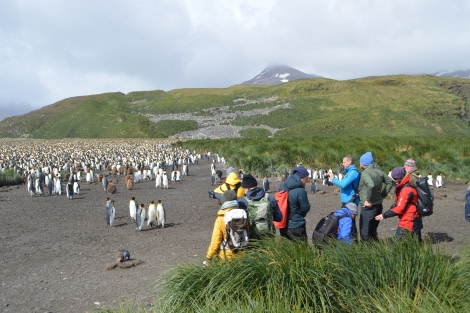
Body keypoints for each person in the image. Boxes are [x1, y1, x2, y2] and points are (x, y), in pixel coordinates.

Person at [375, 167, 423, 241]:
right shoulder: (406, 185)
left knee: (399, 244)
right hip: (412, 218)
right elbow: (398, 204)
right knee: (415, 243)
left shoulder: (406, 189)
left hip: (409, 220)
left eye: (395, 178)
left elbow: (400, 208)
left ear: (400, 177)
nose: (394, 180)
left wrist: (384, 215)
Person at [357, 152, 393, 241]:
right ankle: (375, 251)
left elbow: (371, 185)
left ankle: (366, 253)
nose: (360, 164)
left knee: (365, 233)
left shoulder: (365, 173)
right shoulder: (379, 171)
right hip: (378, 206)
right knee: (373, 232)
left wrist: (367, 200)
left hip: (368, 207)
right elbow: (390, 181)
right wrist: (383, 195)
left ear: (364, 163)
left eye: (360, 162)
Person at [205, 190, 247, 264]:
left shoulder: (221, 218)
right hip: (243, 255)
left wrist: (209, 257)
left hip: (226, 257)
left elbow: (216, 241)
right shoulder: (244, 215)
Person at [238, 174, 283, 238]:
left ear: (247, 188)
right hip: (269, 237)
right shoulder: (269, 197)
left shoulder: (243, 201)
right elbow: (279, 218)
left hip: (252, 238)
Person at [329, 155, 360, 239]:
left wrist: (333, 178)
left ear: (349, 162)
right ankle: (348, 240)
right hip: (347, 200)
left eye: (344, 162)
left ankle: (353, 241)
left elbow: (343, 184)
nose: (342, 164)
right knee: (346, 220)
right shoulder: (349, 172)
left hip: (350, 201)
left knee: (350, 222)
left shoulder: (353, 172)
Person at [278, 166, 311, 241]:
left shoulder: (283, 186)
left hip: (283, 225)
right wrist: (299, 213)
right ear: (301, 178)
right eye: (306, 178)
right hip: (296, 225)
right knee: (301, 250)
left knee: (286, 250)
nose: (307, 181)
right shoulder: (300, 191)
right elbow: (305, 208)